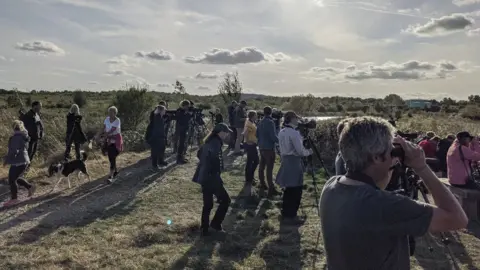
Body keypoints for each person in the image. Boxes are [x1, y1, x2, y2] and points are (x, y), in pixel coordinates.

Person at [320, 116, 467, 270]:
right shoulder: (385, 205)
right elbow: (457, 219)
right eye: (392, 153)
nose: (395, 160)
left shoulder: (331, 187)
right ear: (376, 157)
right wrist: (421, 167)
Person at [192, 123, 232, 236]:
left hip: (204, 176)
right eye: (225, 132)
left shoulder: (209, 140)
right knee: (225, 200)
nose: (226, 134)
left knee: (208, 204)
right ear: (220, 132)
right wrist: (216, 171)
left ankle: (204, 229)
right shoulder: (216, 142)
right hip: (211, 177)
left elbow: (199, 154)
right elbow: (214, 159)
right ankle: (215, 224)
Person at [276, 111, 313, 224]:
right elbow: (300, 151)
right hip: (294, 161)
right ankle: (292, 215)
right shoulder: (294, 133)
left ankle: (286, 212)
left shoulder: (282, 132)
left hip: (285, 160)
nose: (297, 120)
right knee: (296, 188)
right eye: (296, 118)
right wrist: (309, 151)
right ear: (292, 119)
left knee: (288, 188)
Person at [2, 120, 36, 207]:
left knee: (11, 180)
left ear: (14, 128)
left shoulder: (15, 138)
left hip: (18, 162)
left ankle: (14, 199)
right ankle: (30, 187)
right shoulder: (24, 136)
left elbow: (13, 151)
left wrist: (6, 160)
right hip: (24, 161)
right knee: (15, 178)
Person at [256, 106, 280, 196]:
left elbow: (256, 134)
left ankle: (262, 184)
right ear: (270, 113)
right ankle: (271, 188)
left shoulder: (260, 121)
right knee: (269, 169)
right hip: (269, 148)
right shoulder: (270, 122)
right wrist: (280, 141)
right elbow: (273, 137)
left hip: (261, 147)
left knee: (261, 167)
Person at [101, 106, 123, 183]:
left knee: (112, 156)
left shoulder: (117, 120)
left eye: (112, 112)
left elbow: (112, 130)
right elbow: (103, 128)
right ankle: (115, 171)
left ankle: (110, 176)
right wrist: (98, 135)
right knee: (111, 157)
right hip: (109, 140)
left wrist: (105, 135)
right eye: (109, 112)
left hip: (116, 140)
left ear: (115, 113)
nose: (110, 114)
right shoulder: (107, 119)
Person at [146, 105, 168, 170]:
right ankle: (154, 166)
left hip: (159, 137)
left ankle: (159, 162)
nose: (165, 111)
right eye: (164, 110)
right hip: (156, 138)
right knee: (155, 152)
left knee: (160, 151)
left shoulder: (159, 117)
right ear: (161, 111)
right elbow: (157, 129)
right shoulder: (157, 118)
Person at [243, 110, 259, 189]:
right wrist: (248, 141)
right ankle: (249, 178)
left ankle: (250, 177)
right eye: (256, 115)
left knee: (252, 161)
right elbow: (245, 133)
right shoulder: (249, 123)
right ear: (253, 116)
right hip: (250, 144)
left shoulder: (251, 122)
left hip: (252, 144)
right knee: (253, 161)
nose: (257, 116)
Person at [175, 100, 192, 164]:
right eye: (187, 106)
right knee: (181, 144)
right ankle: (179, 159)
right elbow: (180, 119)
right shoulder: (179, 111)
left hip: (184, 129)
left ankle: (181, 157)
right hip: (181, 130)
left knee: (183, 144)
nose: (188, 107)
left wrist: (189, 114)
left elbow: (188, 119)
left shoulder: (184, 111)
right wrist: (186, 114)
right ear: (184, 105)